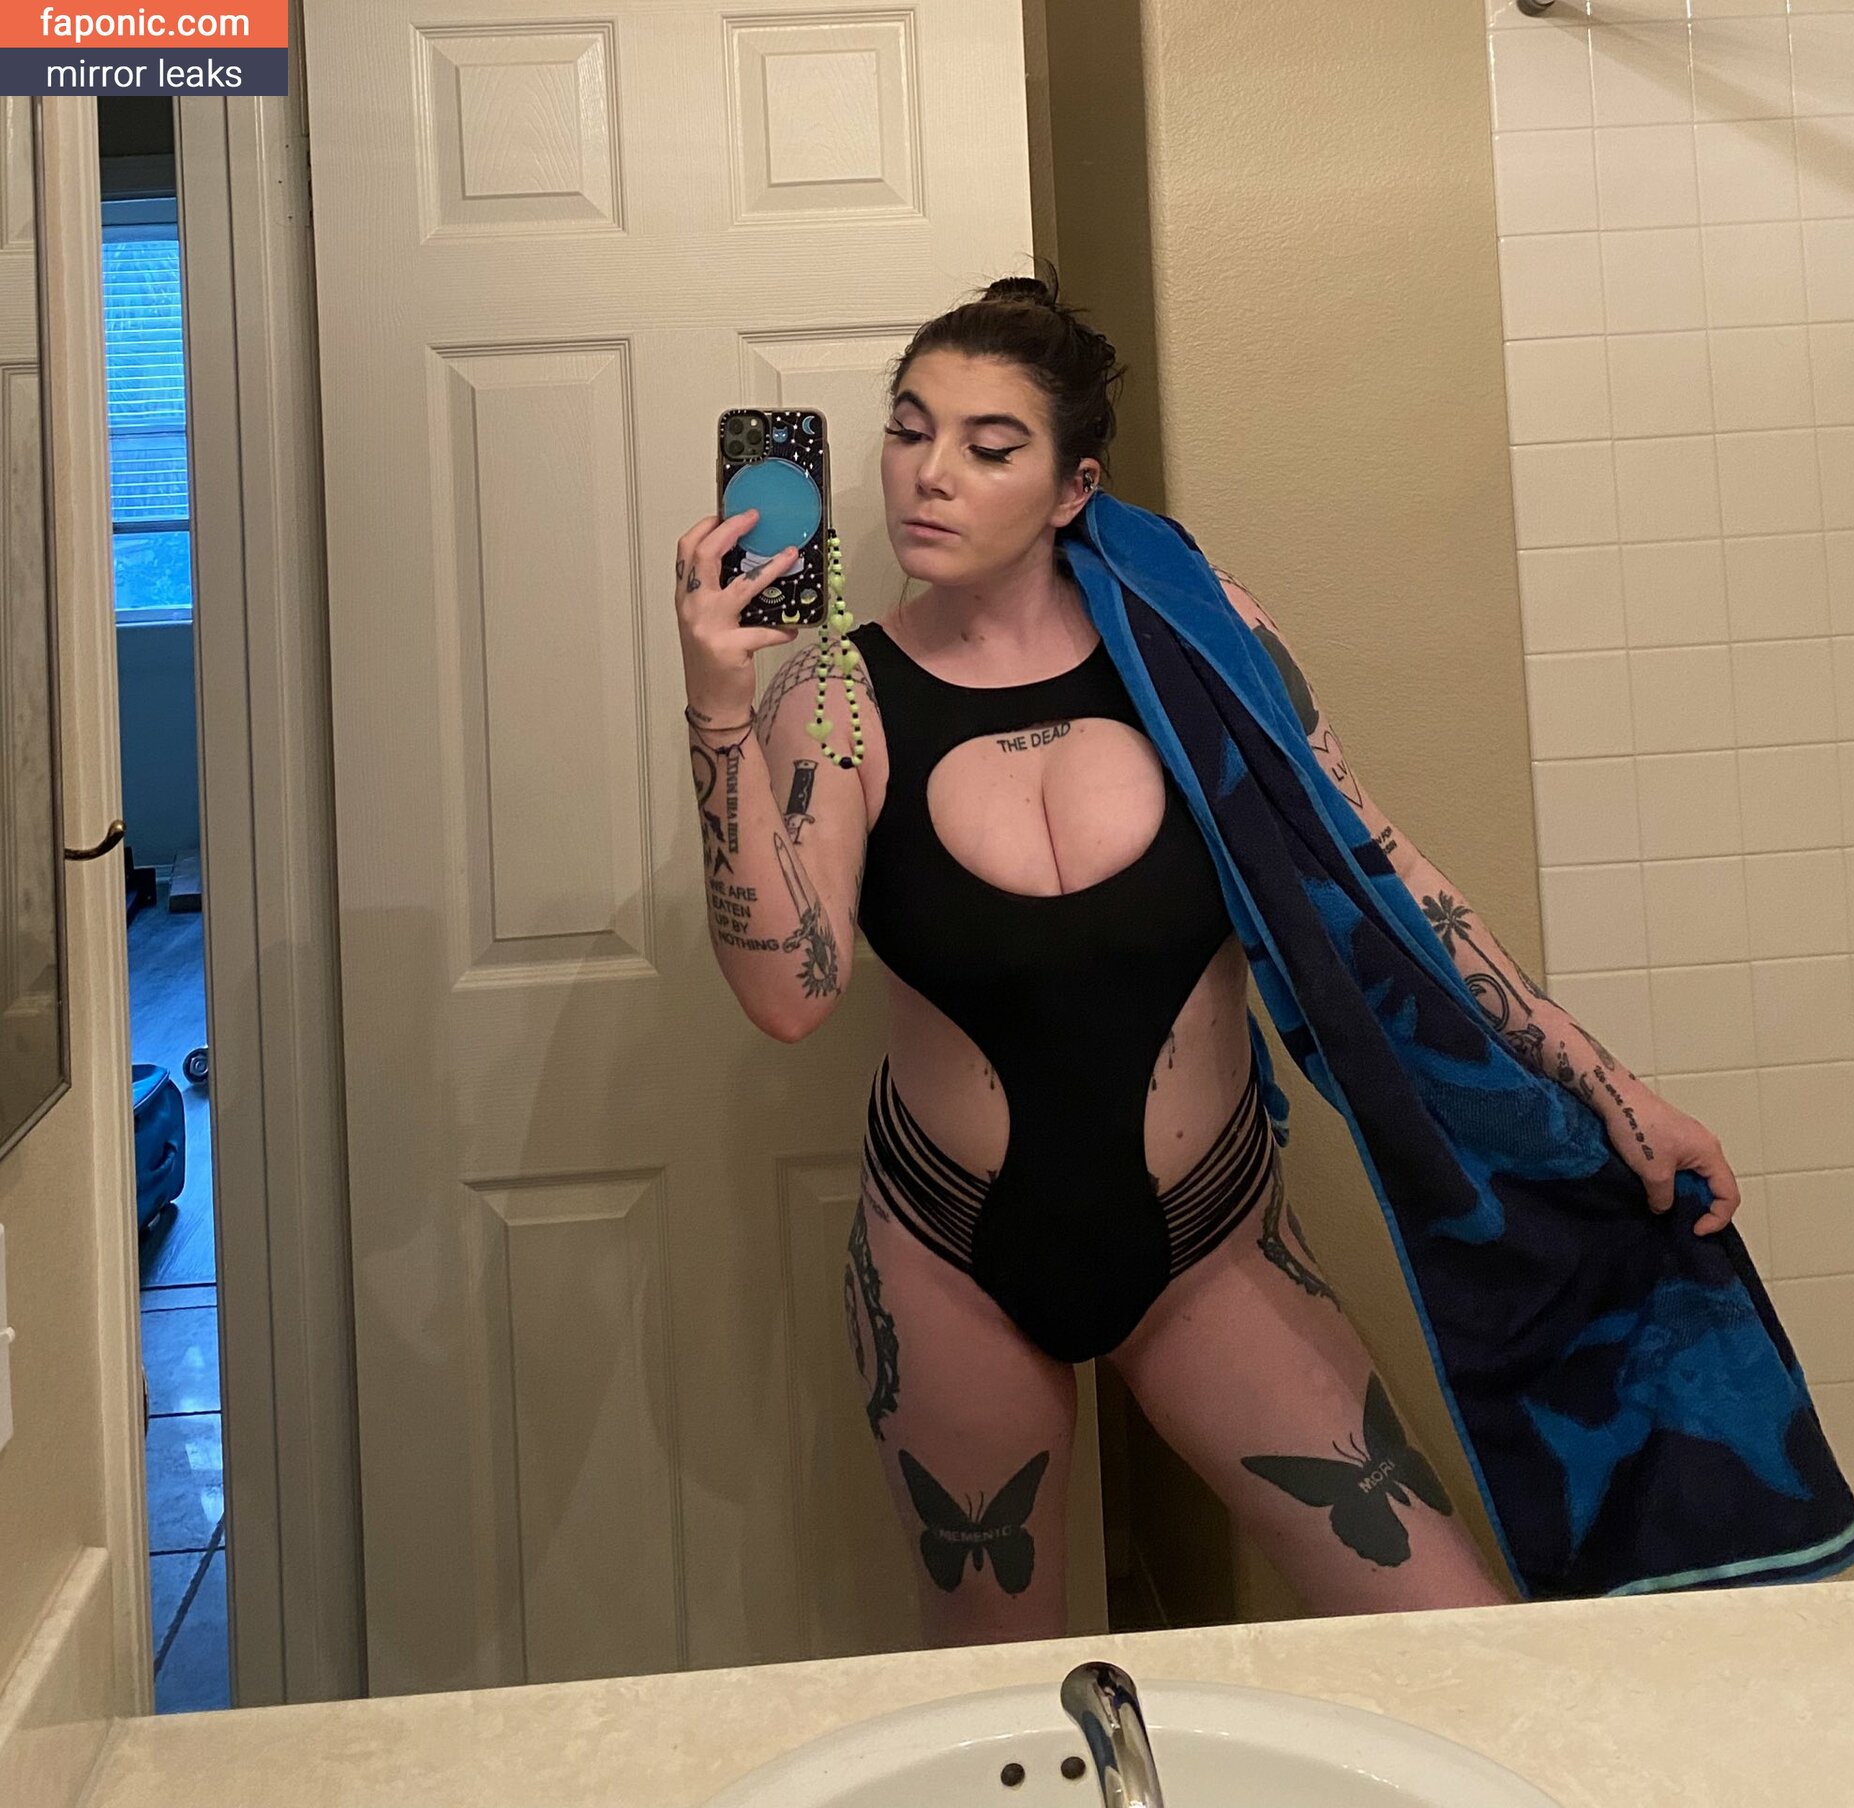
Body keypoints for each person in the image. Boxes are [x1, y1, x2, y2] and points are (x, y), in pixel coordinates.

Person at [672, 263, 1742, 1648]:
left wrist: (1610, 1085)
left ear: (1074, 489)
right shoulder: (833, 695)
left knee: (1454, 1643)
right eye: (909, 428)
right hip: (945, 1257)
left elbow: (1382, 872)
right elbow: (788, 996)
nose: (929, 475)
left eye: (990, 447)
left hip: (1213, 1244)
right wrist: (718, 706)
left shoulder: (1195, 640)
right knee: (1001, 1694)